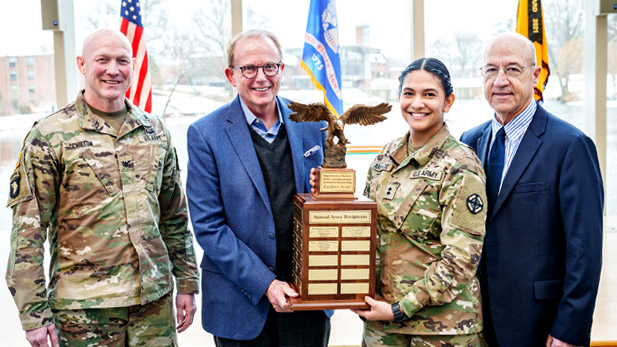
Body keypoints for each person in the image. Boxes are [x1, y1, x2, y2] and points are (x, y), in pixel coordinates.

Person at [6, 28, 199, 347]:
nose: (113, 69)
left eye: (123, 60)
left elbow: (174, 218)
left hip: (153, 307)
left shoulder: (155, 132)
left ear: (132, 66)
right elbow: (27, 233)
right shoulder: (49, 137)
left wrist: (187, 283)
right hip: (84, 313)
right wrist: (33, 316)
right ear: (82, 65)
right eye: (102, 59)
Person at [185, 29, 331, 346]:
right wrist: (266, 284)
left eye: (269, 67)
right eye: (249, 68)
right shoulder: (205, 134)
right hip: (240, 302)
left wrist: (330, 190)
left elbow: (332, 199)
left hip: (306, 298)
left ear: (281, 70)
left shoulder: (314, 121)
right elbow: (209, 227)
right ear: (231, 75)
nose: (260, 77)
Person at [460, 33, 604, 347]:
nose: (500, 81)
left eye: (512, 69)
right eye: (490, 70)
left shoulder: (570, 146)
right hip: (474, 322)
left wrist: (570, 328)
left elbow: (585, 250)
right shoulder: (468, 142)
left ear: (535, 75)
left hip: (539, 324)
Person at [350, 57, 487, 347]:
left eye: (429, 94)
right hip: (382, 324)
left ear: (448, 102)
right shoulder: (387, 155)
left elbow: (462, 258)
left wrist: (402, 309)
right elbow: (366, 226)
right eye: (409, 93)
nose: (417, 103)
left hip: (441, 331)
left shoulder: (461, 164)